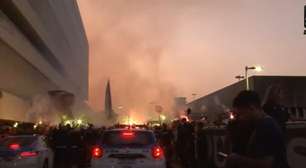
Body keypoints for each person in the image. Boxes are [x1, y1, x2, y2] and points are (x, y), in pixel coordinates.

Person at [226, 90, 289, 168]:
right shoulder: (260, 124)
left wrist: (237, 159)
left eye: (242, 114)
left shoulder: (267, 126)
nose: (241, 118)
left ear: (251, 108)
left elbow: (267, 164)